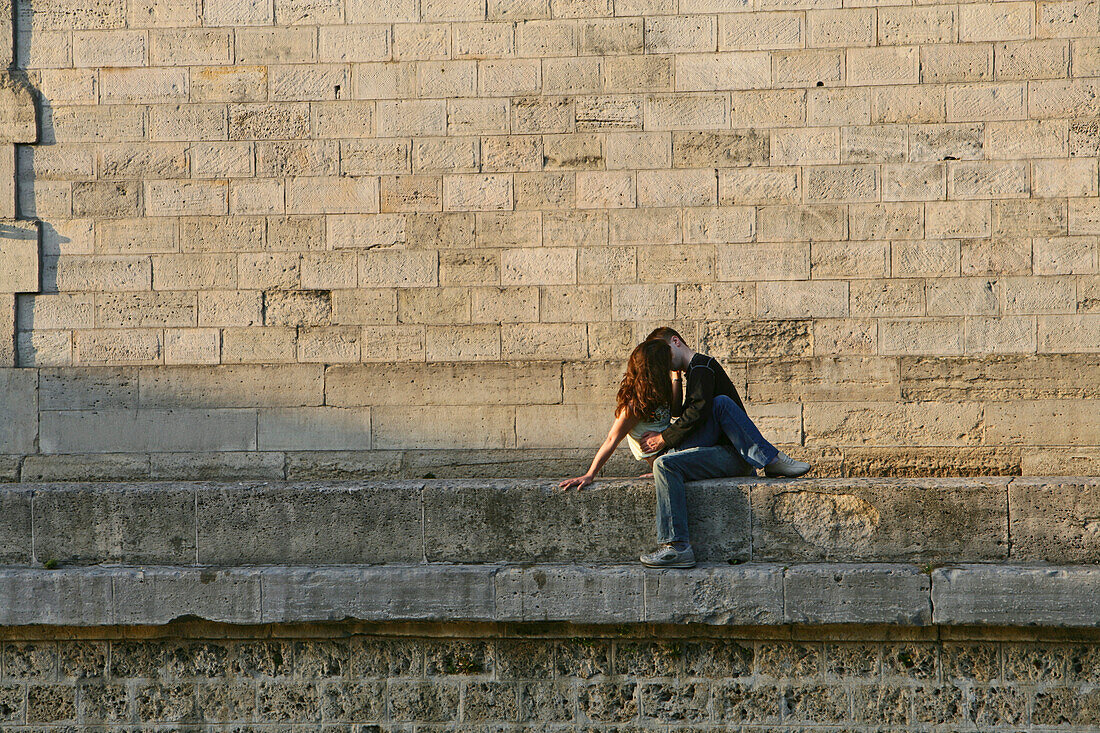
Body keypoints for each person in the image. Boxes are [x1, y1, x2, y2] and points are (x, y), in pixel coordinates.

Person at [634, 327, 811, 568]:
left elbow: (696, 414)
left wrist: (665, 440)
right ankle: (769, 458)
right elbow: (684, 414)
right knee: (666, 464)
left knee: (719, 406)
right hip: (723, 453)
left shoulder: (702, 367)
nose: (663, 362)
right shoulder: (694, 371)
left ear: (676, 342)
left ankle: (676, 548)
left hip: (730, 456)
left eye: (664, 354)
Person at [558, 339, 680, 490]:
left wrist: (677, 377)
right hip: (670, 456)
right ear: (659, 368)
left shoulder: (657, 394)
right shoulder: (634, 406)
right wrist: (590, 474)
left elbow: (675, 411)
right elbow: (611, 439)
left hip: (673, 451)